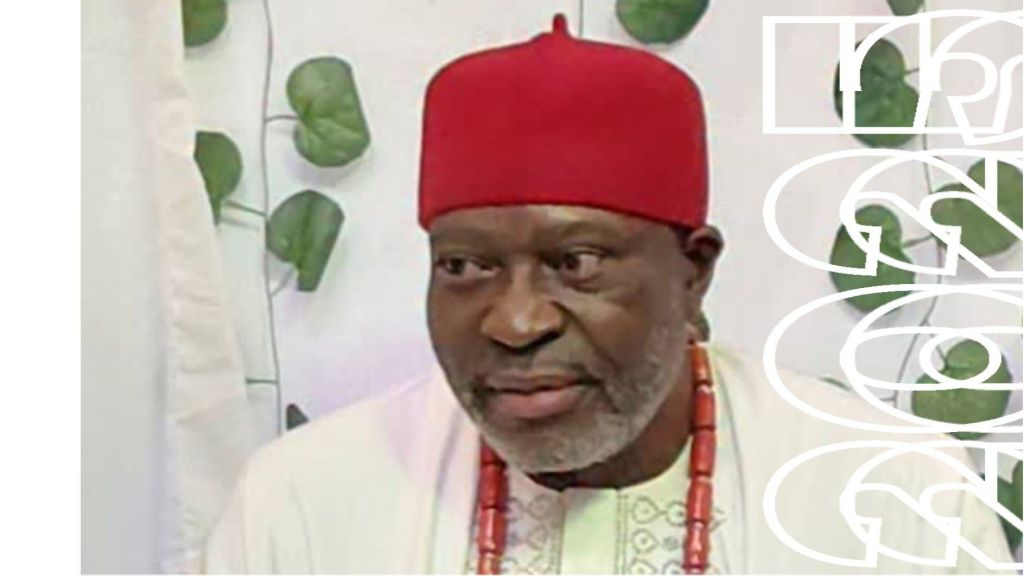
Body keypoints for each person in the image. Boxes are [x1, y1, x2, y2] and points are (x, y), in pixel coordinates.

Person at [203, 15, 1016, 574]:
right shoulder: (297, 506)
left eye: (579, 261)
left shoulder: (898, 493)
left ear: (693, 271)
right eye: (464, 267)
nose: (516, 321)